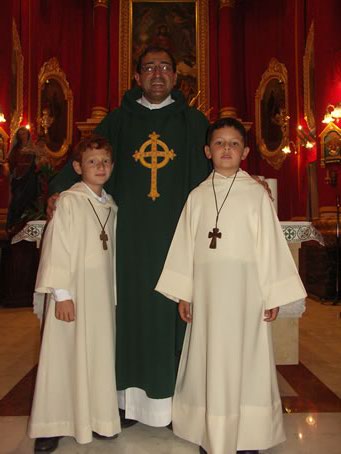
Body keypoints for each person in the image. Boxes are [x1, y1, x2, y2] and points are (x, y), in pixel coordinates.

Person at [46, 46, 210, 427]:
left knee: (173, 316)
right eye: (149, 68)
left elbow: (221, 161)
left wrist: (250, 182)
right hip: (127, 243)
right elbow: (88, 157)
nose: (157, 74)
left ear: (175, 77)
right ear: (137, 77)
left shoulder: (194, 121)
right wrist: (58, 189)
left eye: (164, 68)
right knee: (131, 317)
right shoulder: (118, 121)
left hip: (177, 238)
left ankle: (174, 405)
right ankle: (129, 403)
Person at [155, 117, 307, 454]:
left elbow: (269, 245)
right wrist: (185, 292)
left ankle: (248, 434)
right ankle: (211, 432)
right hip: (207, 296)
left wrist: (272, 293)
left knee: (247, 360)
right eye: (220, 143)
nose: (226, 149)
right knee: (207, 358)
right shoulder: (196, 197)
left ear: (245, 151)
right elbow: (183, 246)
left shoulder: (256, 195)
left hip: (246, 295)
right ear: (208, 151)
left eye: (234, 143)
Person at [28, 135, 120, 452]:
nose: (100, 166)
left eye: (105, 161)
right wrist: (62, 294)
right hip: (73, 296)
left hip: (101, 298)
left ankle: (98, 417)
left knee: (97, 356)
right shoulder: (69, 201)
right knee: (63, 357)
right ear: (78, 166)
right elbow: (56, 248)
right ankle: (52, 424)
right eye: (92, 161)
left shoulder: (110, 205)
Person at [6, 127, 38, 234]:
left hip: (30, 179)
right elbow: (10, 161)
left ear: (28, 134)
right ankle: (14, 225)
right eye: (20, 134)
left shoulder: (34, 148)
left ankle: (27, 227)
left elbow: (39, 163)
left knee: (29, 202)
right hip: (18, 179)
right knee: (17, 201)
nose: (22, 135)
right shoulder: (16, 148)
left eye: (24, 133)